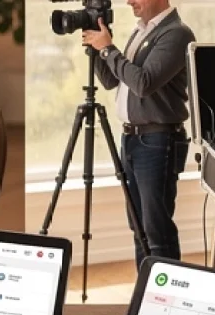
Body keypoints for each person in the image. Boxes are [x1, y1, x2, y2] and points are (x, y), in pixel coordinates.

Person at [84, 0, 195, 267]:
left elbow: (143, 83)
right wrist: (95, 50)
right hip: (133, 140)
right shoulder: (142, 31)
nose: (129, 1)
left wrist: (108, 49)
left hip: (157, 141)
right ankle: (145, 288)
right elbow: (112, 80)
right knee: (139, 229)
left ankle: (166, 290)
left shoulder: (176, 34)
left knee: (156, 230)